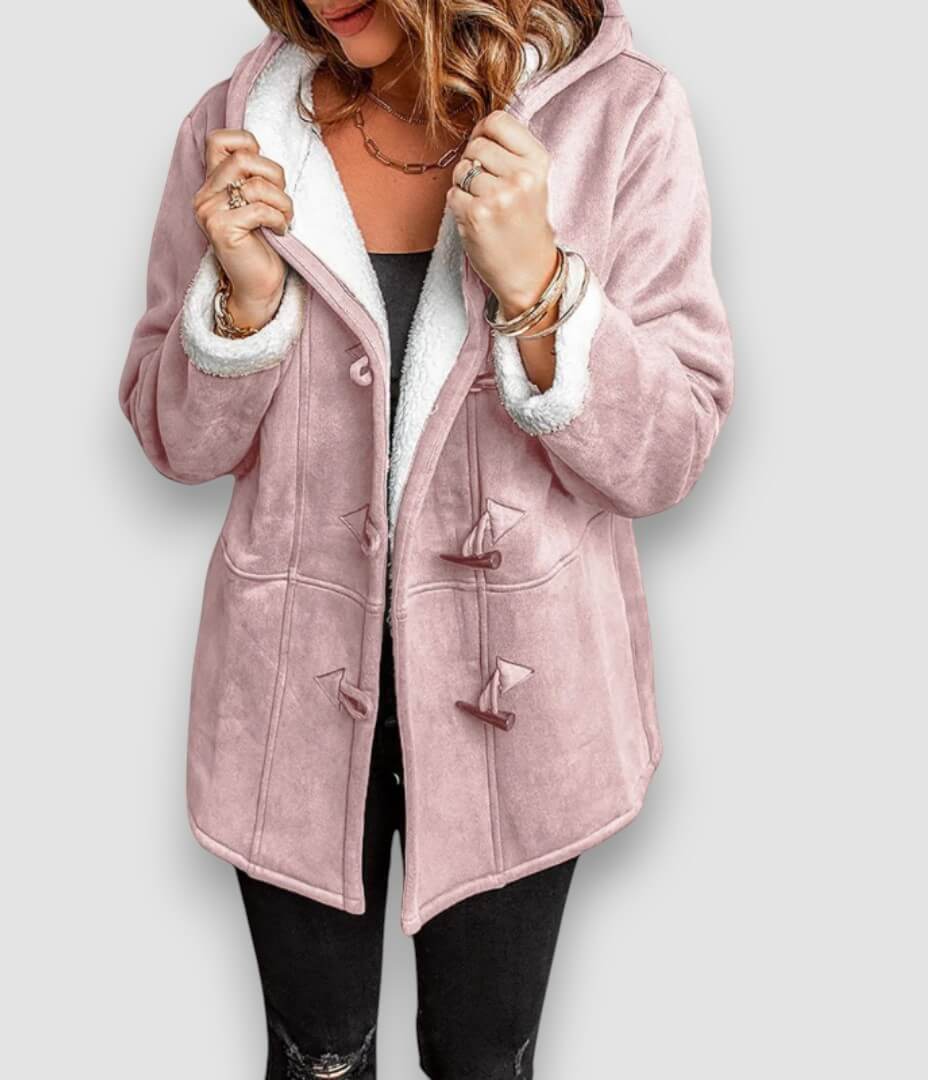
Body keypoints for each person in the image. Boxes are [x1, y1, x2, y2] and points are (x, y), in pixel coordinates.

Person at [119, 0, 734, 1075]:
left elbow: (667, 454)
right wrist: (243, 305)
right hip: (287, 700)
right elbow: (175, 441)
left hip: (525, 707)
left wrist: (541, 288)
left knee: (482, 1061)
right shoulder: (238, 126)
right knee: (314, 1059)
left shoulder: (623, 119)